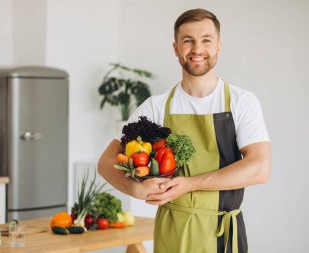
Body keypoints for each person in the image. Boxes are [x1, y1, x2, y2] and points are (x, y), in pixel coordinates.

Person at [98, 8, 271, 253]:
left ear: (218, 46)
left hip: (222, 230)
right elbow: (105, 162)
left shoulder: (241, 101)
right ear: (176, 48)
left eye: (206, 40)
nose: (197, 49)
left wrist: (190, 184)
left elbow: (260, 168)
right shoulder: (155, 107)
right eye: (188, 41)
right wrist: (135, 188)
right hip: (172, 229)